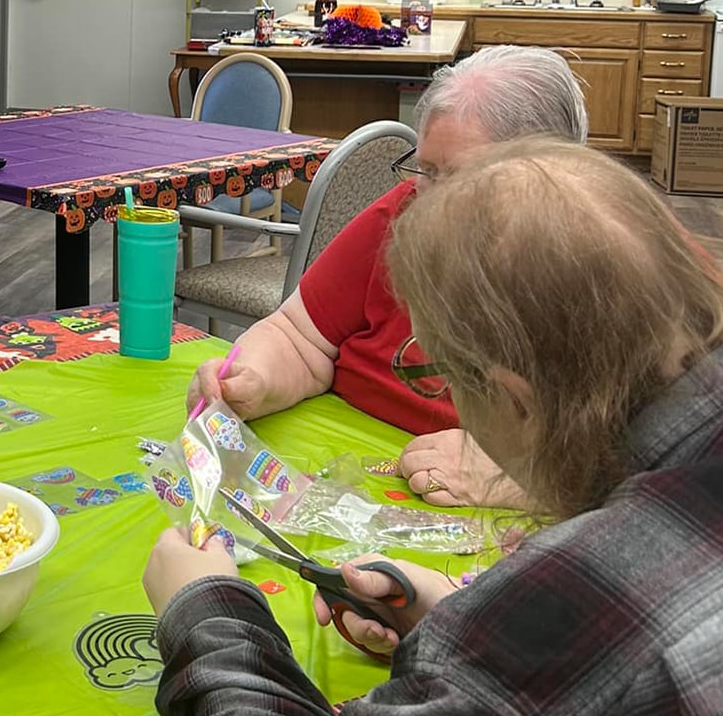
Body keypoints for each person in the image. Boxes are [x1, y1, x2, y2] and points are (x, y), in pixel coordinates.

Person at [144, 139, 723, 716]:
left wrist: (207, 615)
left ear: (514, 399)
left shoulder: (561, 620)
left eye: (437, 373)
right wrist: (457, 614)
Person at [186, 45, 588, 509]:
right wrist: (253, 379)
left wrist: (525, 477)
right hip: (337, 469)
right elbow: (299, 338)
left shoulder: (606, 264)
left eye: (462, 179)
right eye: (427, 170)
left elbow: (644, 475)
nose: (429, 201)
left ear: (550, 178)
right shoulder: (403, 211)